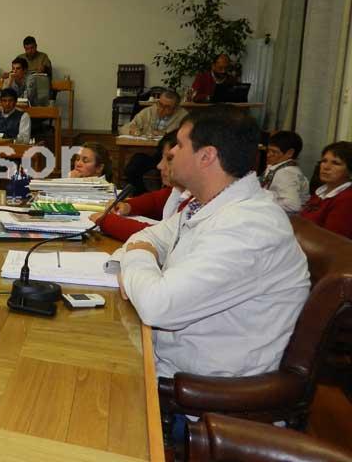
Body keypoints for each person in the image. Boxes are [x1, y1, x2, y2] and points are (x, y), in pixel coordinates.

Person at [116, 106, 310, 378]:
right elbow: (148, 237)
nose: (170, 155)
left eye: (179, 145)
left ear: (206, 156)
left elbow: (157, 306)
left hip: (199, 384)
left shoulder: (250, 227)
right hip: (168, 355)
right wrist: (141, 261)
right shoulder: (209, 204)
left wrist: (136, 260)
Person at [93, 131, 192, 241]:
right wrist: (128, 206)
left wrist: (107, 221)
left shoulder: (196, 202)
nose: (159, 166)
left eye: (169, 159)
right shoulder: (177, 190)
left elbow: (164, 236)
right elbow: (155, 201)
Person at [120, 89, 188, 194]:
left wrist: (164, 134)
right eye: (160, 104)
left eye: (167, 107)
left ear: (176, 108)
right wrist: (133, 131)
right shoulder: (148, 111)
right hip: (148, 152)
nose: (161, 109)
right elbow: (125, 128)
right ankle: (141, 193)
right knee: (133, 167)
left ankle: (164, 195)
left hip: (170, 156)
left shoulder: (183, 116)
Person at [300, 141, 352, 238]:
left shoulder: (347, 199)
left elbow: (332, 240)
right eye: (324, 161)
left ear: (350, 171)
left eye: (336, 163)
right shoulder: (321, 192)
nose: (326, 167)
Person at [260, 131, 309, 214]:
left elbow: (292, 205)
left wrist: (263, 200)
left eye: (274, 152)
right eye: (268, 150)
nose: (268, 155)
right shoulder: (278, 166)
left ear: (290, 153)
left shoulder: (287, 173)